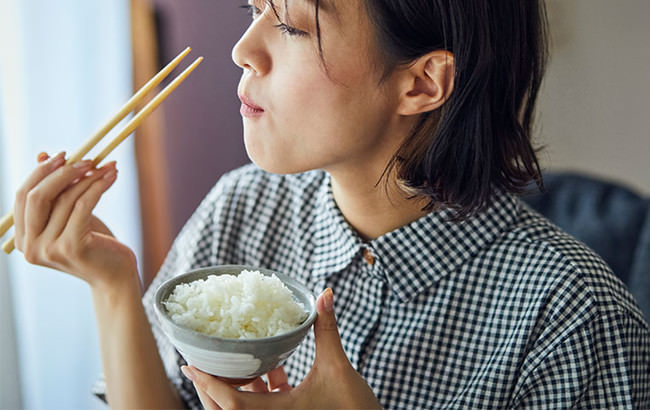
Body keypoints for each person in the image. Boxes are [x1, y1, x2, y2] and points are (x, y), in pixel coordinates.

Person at [11, 0, 649, 408]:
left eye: (291, 23)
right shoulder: (243, 207)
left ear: (423, 81)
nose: (244, 48)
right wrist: (113, 284)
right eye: (254, 7)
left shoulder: (570, 315)